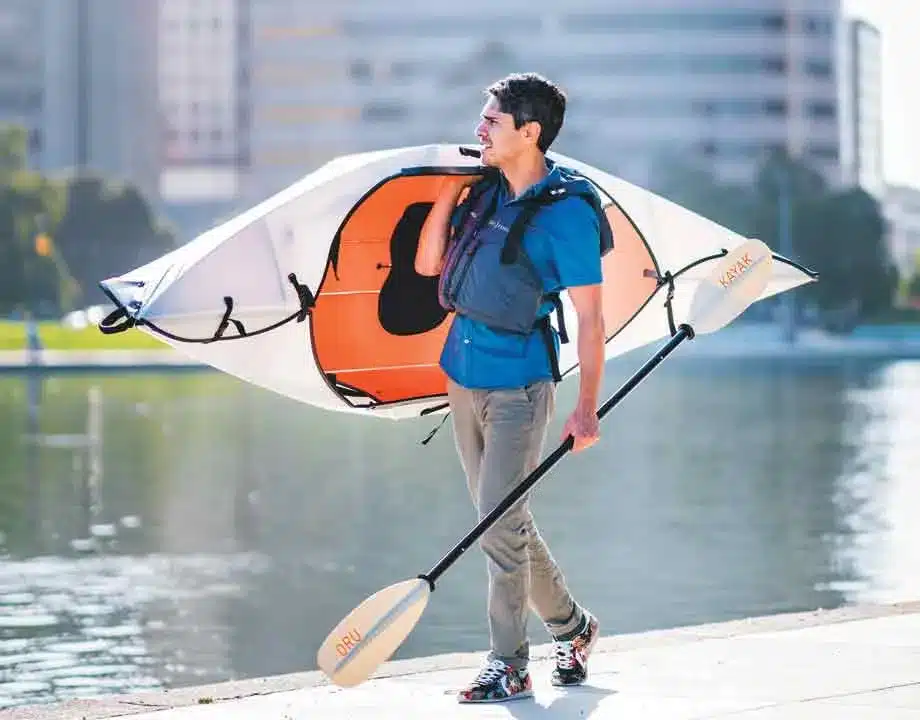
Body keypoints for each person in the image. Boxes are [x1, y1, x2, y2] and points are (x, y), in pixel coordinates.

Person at [415, 72, 610, 703]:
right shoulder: (485, 192)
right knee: (503, 521)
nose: (480, 128)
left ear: (530, 132)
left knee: (497, 523)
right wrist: (447, 198)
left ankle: (509, 662)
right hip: (462, 376)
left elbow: (590, 318)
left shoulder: (569, 214)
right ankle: (574, 628)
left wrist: (586, 410)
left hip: (519, 387)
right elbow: (427, 267)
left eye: (492, 120)